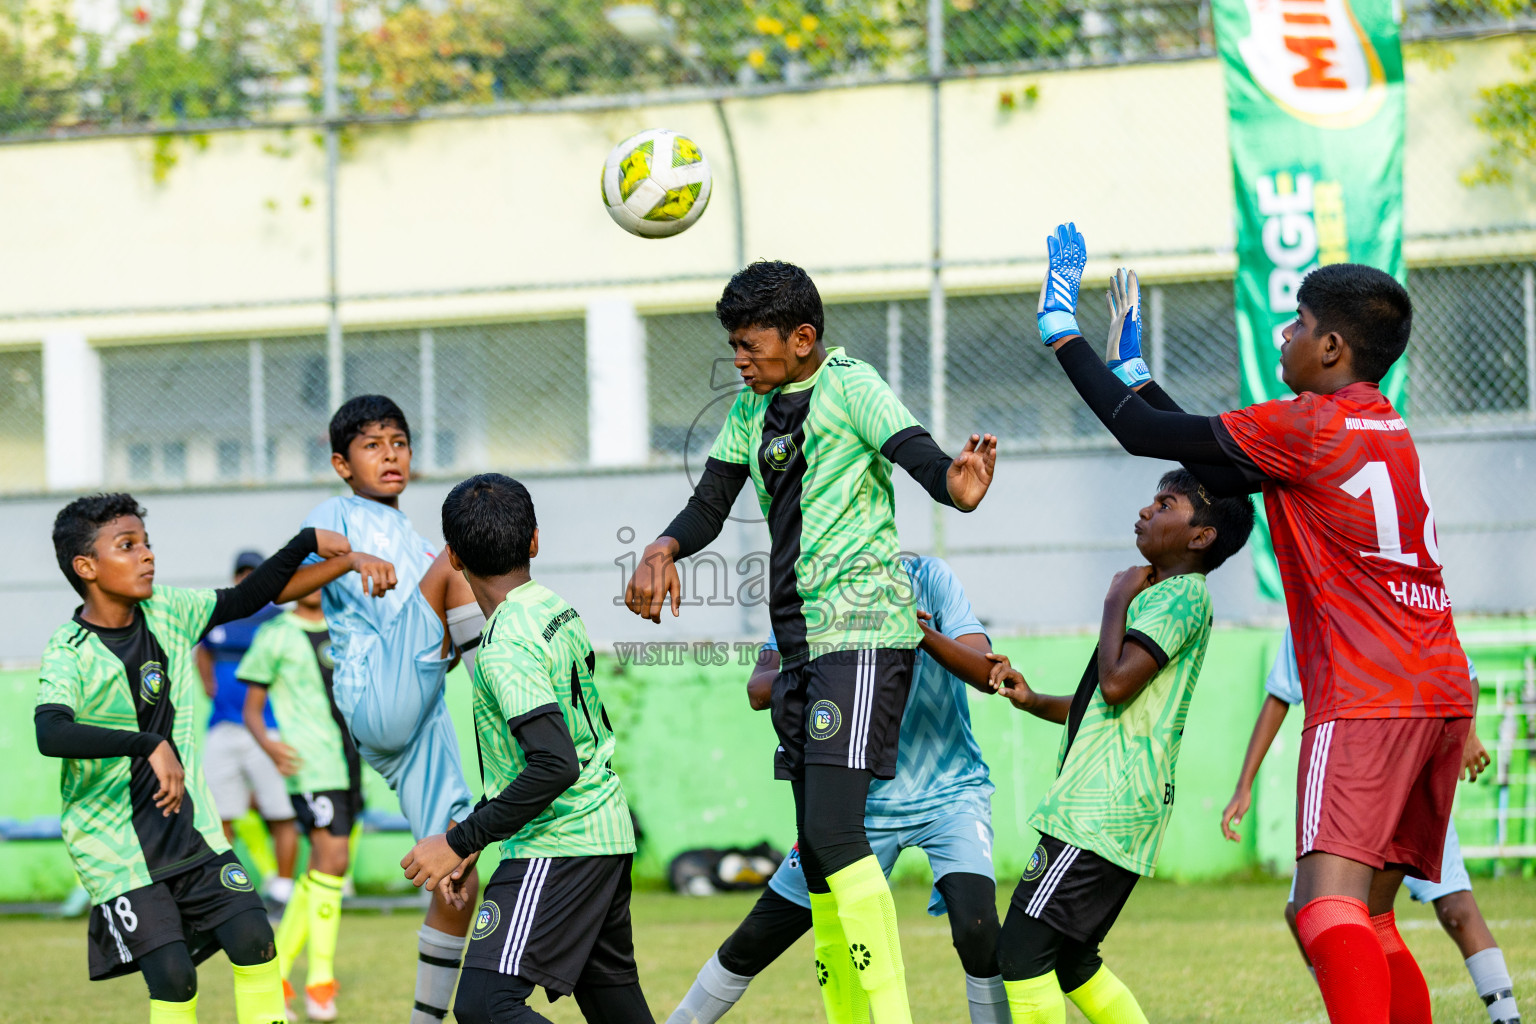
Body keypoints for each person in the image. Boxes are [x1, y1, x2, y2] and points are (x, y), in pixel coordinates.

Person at [1039, 223, 1476, 1024]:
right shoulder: (1383, 429)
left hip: (1368, 696)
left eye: (1299, 324)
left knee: (1323, 910)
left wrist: (1061, 331)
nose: (1285, 334)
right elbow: (1220, 460)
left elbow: (1146, 438)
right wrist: (1135, 372)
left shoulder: (1313, 425)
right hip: (1440, 690)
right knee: (1371, 916)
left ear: (1334, 346)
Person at [624, 261, 997, 1024]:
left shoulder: (852, 385)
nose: (738, 358)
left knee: (833, 833)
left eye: (749, 343)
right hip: (801, 646)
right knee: (822, 860)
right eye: (732, 343)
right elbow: (709, 502)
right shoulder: (749, 410)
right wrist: (663, 547)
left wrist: (955, 487)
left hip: (862, 634)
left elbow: (922, 458)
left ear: (802, 338)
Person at [35, 493, 380, 1024]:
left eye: (147, 543)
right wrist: (147, 744)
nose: (147, 555)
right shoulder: (69, 650)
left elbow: (252, 596)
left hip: (193, 832)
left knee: (255, 939)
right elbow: (50, 731)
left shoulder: (169, 611)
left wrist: (312, 547)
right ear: (87, 567)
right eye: (127, 546)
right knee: (174, 976)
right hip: (117, 848)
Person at [669, 555, 1011, 1024]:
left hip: (948, 794)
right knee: (757, 938)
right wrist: (836, 647)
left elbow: (984, 672)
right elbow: (759, 689)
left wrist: (916, 632)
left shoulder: (928, 578)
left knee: (978, 930)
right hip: (853, 809)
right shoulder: (810, 593)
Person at [983, 470, 1253, 1024]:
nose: (1146, 510)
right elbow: (1106, 701)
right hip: (1114, 808)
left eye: (1166, 503)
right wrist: (1035, 701)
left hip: (1099, 808)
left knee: (1022, 952)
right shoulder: (1170, 596)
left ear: (1200, 537)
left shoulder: (1179, 597)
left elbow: (1115, 683)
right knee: (1073, 962)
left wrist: (1113, 601)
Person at [402, 474, 652, 1024]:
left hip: (558, 844)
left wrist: (459, 839)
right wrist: (475, 842)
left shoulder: (506, 643)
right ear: (535, 540)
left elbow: (553, 763)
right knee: (616, 1008)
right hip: (601, 831)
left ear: (454, 557)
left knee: (485, 1007)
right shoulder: (552, 608)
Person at [301, 393, 492, 1024]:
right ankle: (504, 691)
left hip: (419, 712)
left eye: (399, 443)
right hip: (374, 692)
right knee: (459, 556)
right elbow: (280, 586)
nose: (389, 455)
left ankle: (424, 1020)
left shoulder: (409, 537)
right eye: (371, 445)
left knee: (459, 871)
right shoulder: (337, 514)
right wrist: (346, 559)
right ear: (342, 464)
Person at [1222, 628, 1523, 1024]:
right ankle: (1359, 1002)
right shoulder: (1310, 614)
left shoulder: (1399, 603)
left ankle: (1506, 1017)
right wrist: (1244, 784)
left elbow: (1463, 673)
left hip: (1407, 775)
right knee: (1320, 915)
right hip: (1350, 784)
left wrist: (1464, 733)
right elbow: (1279, 696)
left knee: (1453, 909)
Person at [239, 587, 364, 1022]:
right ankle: (320, 984)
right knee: (334, 860)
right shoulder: (276, 634)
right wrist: (270, 747)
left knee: (322, 871)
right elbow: (251, 708)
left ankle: (279, 977)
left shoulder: (345, 626)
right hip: (311, 765)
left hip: (349, 761)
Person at [197, 550, 296, 906]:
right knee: (220, 812)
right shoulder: (219, 614)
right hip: (222, 726)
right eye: (243, 573)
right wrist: (207, 683)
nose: (248, 579)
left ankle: (283, 889)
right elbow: (201, 650)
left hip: (268, 729)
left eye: (255, 573)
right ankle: (226, 889)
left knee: (280, 811)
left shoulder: (279, 619)